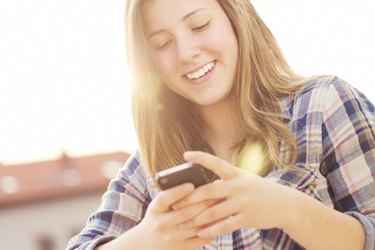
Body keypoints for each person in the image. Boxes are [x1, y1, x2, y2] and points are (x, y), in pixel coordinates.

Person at [67, 0, 375, 249]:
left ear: (234, 17)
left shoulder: (323, 105)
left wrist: (288, 209)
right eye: (162, 44)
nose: (186, 53)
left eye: (200, 25)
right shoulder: (147, 169)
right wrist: (147, 240)